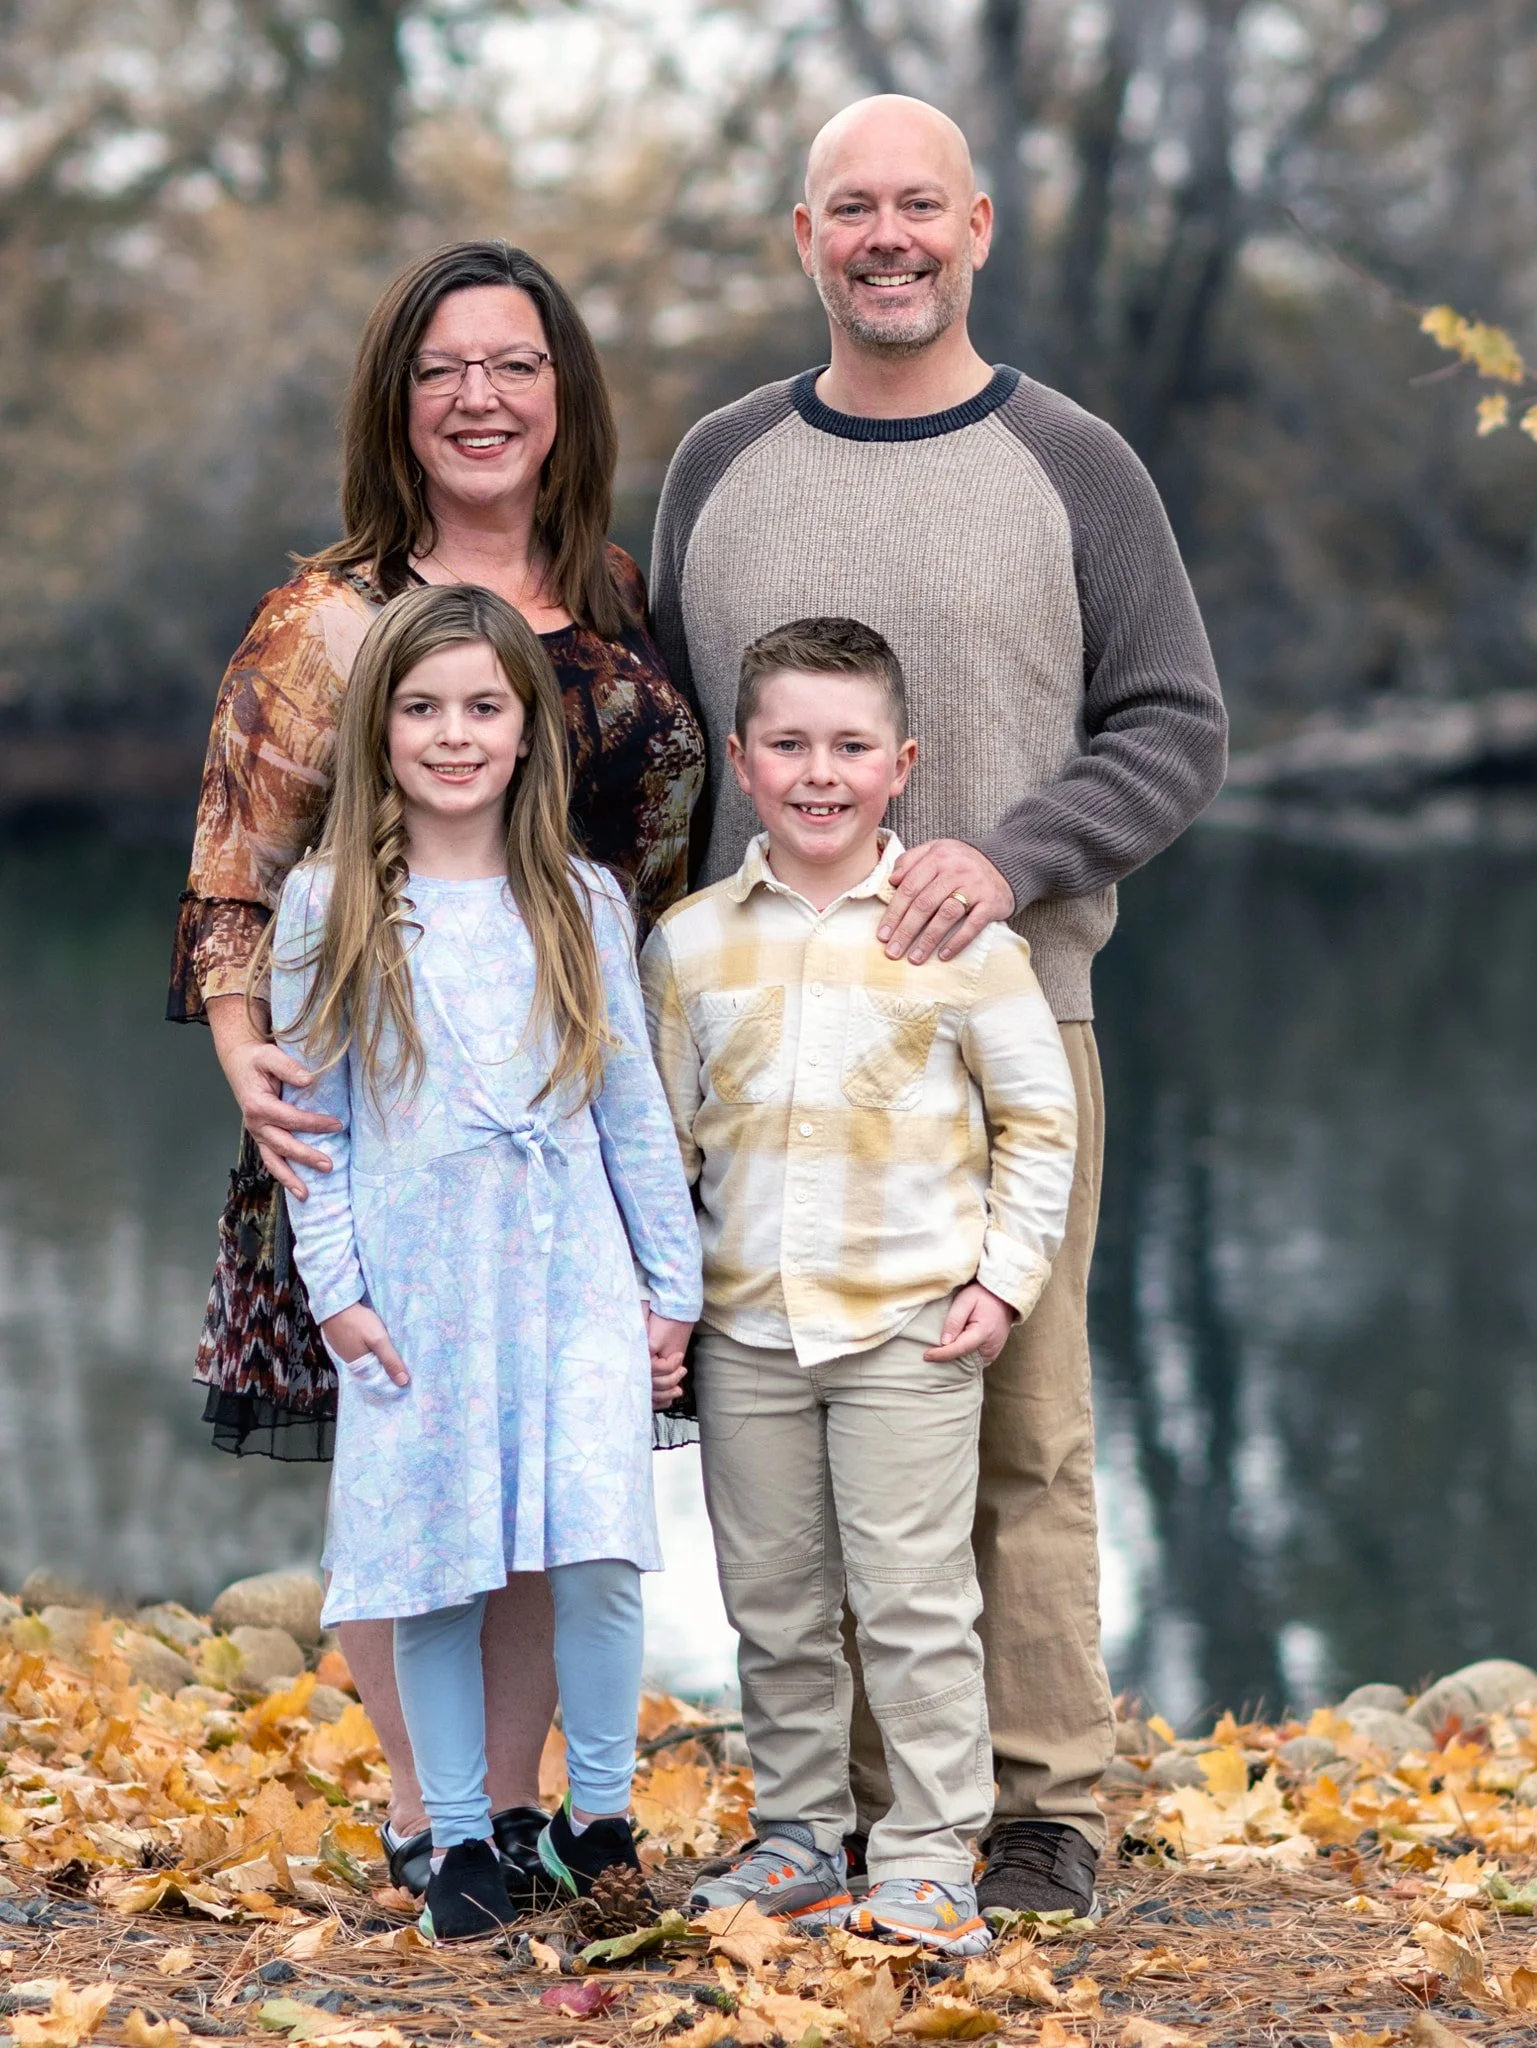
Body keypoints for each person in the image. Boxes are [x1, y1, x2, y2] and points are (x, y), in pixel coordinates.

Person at [649, 97, 1228, 1918]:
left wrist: (1016, 852)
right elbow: (672, 753)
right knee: (798, 1449)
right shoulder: (719, 464)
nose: (886, 237)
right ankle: (839, 1814)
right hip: (762, 1048)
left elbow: (1178, 725)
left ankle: (1046, 1806)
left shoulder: (1076, 464)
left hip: (1009, 1022)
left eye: (919, 205)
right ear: (802, 238)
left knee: (1022, 1432)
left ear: (976, 225)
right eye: (851, 209)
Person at [168, 240, 704, 1898]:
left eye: (516, 364)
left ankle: (523, 1816)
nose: (482, 397)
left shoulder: (616, 592)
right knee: (420, 1491)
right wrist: (254, 1068)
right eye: (443, 369)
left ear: (566, 394)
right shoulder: (329, 619)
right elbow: (236, 879)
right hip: (380, 1106)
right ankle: (430, 1819)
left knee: (548, 1489)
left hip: (586, 1089)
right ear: (394, 403)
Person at [269, 581, 701, 1942]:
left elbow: (631, 1110)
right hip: (422, 1294)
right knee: (436, 1563)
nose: (453, 736)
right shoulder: (331, 905)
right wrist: (337, 1293)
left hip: (573, 1281)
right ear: (380, 730)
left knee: (598, 1549)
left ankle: (601, 1821)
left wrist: (672, 1287)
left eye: (482, 708)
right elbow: (316, 1130)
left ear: (527, 731)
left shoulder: (579, 899)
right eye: (421, 709)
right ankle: (458, 1839)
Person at [641, 617, 1077, 1953]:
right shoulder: (690, 946)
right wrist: (663, 1301)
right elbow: (661, 1148)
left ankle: (932, 1855)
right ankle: (799, 1837)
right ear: (741, 761)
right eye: (788, 745)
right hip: (747, 1334)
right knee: (774, 1605)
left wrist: (1003, 1283)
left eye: (849, 747)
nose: (818, 773)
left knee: (913, 1602)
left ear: (902, 764)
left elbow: (1038, 1124)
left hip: (909, 1331)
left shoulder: (964, 943)